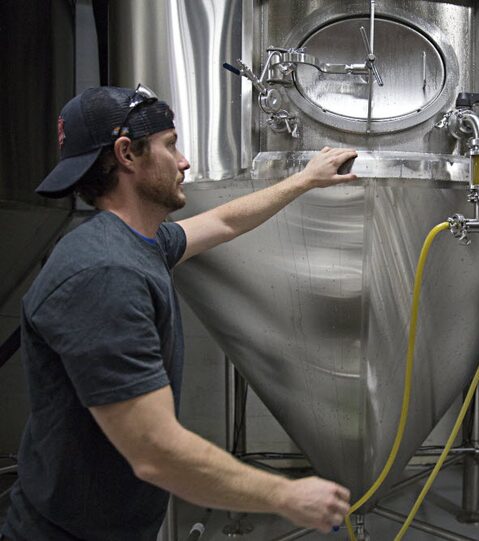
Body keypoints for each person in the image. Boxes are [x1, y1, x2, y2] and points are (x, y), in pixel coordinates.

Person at [1, 85, 357, 541]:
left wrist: (305, 179)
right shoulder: (105, 275)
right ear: (127, 154)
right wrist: (284, 496)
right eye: (170, 146)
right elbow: (156, 452)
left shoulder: (139, 242)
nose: (184, 161)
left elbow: (225, 221)